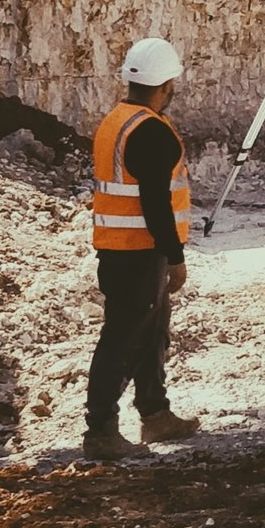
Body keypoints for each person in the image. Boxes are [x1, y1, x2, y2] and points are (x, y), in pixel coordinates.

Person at [85, 37, 204, 461]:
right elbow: (156, 204)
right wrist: (175, 257)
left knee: (150, 333)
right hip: (139, 250)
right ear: (166, 85)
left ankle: (155, 413)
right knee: (123, 338)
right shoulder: (151, 131)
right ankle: (100, 429)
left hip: (118, 248)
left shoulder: (115, 121)